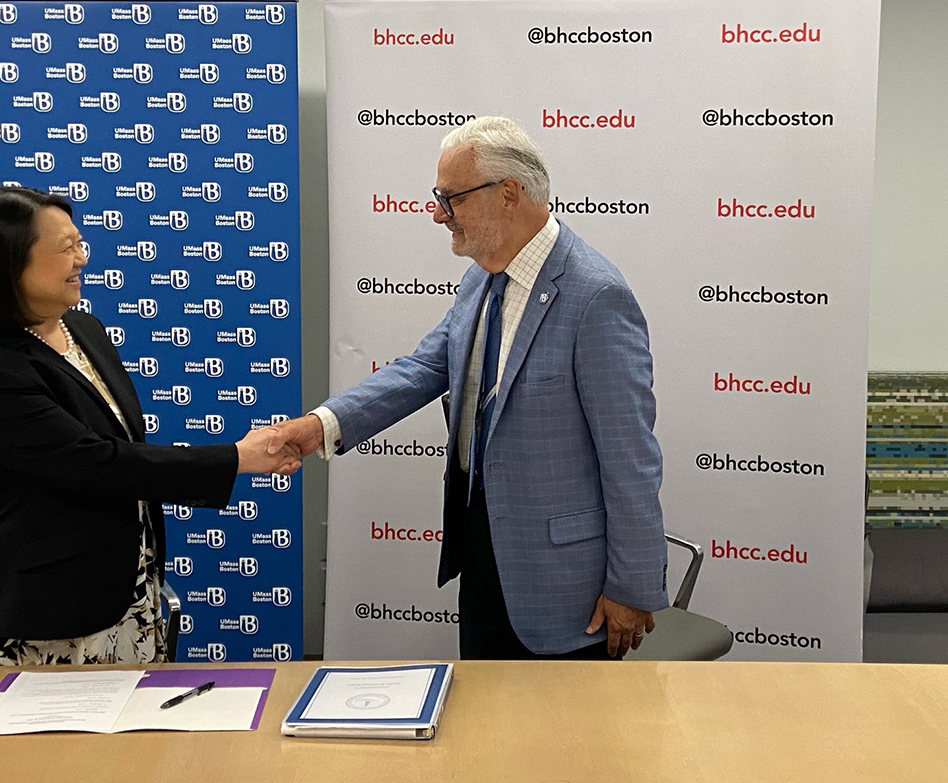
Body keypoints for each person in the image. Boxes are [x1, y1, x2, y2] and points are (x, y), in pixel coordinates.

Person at [270, 117, 667, 659]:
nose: (437, 213)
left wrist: (632, 586)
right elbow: (425, 367)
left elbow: (631, 456)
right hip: (483, 552)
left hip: (566, 583)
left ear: (508, 194)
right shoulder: (482, 275)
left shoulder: (595, 297)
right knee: (487, 729)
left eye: (450, 197)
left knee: (565, 740)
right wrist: (322, 425)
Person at [0, 186, 300, 666]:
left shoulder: (82, 329)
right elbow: (100, 464)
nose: (81, 260)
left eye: (80, 244)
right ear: (11, 262)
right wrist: (237, 458)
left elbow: (123, 444)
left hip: (131, 588)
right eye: (64, 248)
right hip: (56, 611)